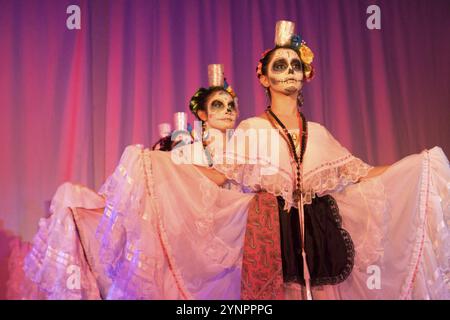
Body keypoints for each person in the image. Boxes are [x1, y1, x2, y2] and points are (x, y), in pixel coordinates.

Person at [209, 20, 449, 299]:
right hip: (271, 239)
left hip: (318, 238)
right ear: (263, 78)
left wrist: (417, 165)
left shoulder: (319, 134)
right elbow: (218, 175)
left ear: (305, 75)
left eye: (296, 65)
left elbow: (362, 172)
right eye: (280, 65)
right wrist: (164, 170)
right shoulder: (252, 128)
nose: (290, 71)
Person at [10, 65, 253, 299]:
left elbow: (226, 181)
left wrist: (175, 169)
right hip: (186, 236)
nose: (228, 110)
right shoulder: (189, 151)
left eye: (231, 105)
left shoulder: (239, 149)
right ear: (202, 114)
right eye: (218, 105)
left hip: (224, 231)